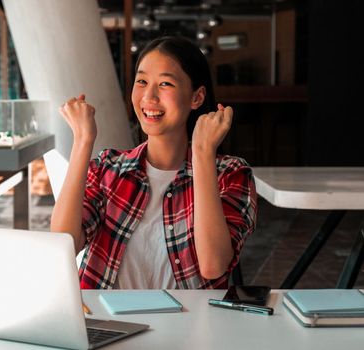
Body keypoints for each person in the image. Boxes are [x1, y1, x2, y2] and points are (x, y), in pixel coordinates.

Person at [51, 36, 257, 289]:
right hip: (107, 323)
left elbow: (213, 266)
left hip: (189, 325)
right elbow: (64, 243)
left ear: (197, 97)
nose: (149, 96)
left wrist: (203, 153)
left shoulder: (231, 174)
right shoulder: (107, 168)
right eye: (142, 81)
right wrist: (83, 141)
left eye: (165, 84)